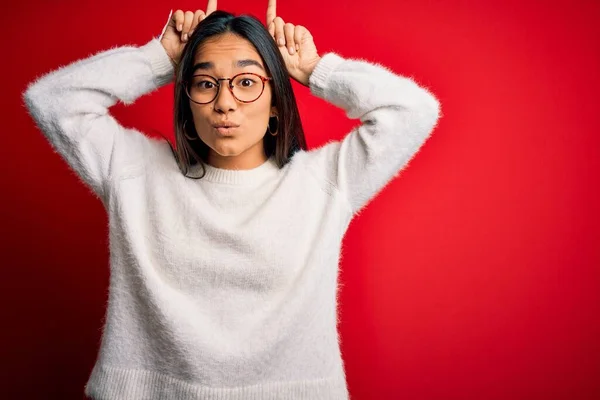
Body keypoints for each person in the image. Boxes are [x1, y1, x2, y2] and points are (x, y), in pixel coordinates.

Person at [22, 0, 441, 398]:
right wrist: (158, 59)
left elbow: (413, 110)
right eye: (205, 83)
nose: (224, 103)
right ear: (187, 102)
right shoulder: (136, 171)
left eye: (246, 82)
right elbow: (53, 101)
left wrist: (315, 70)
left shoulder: (324, 182)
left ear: (277, 101)